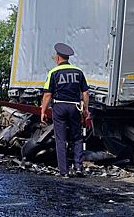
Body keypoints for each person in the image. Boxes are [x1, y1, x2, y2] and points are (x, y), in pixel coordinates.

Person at [40, 43, 90, 178]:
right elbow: (85, 93)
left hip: (59, 107)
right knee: (77, 137)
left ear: (57, 58)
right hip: (75, 107)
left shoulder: (53, 73)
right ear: (68, 58)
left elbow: (47, 94)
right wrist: (86, 110)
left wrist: (43, 111)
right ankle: (79, 168)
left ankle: (64, 171)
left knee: (61, 139)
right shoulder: (78, 72)